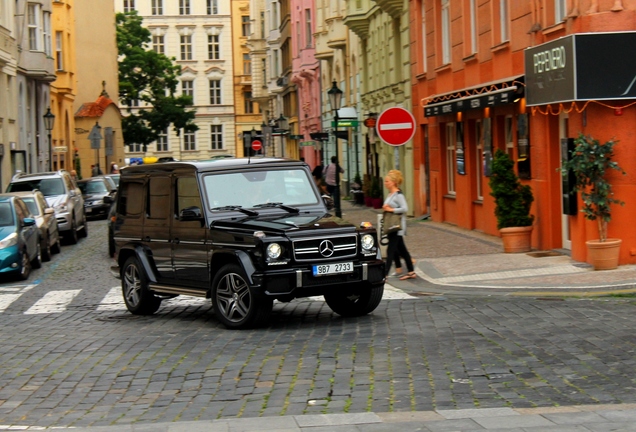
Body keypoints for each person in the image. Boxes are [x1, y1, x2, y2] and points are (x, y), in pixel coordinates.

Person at [382, 169, 416, 280]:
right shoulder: (391, 194)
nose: (385, 183)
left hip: (397, 226)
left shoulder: (398, 195)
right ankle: (410, 271)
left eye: (387, 181)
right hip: (392, 226)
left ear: (394, 182)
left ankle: (385, 274)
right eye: (385, 181)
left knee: (390, 250)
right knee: (401, 250)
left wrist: (391, 210)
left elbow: (405, 208)